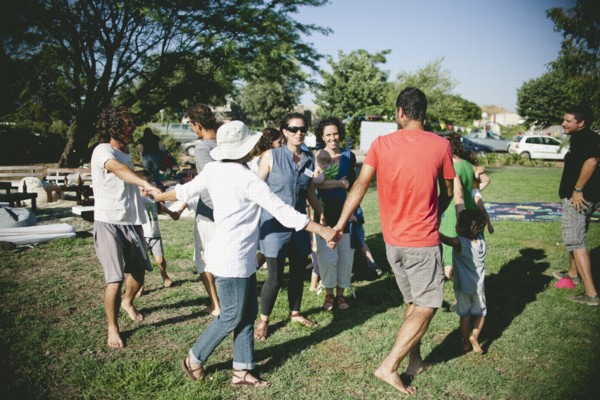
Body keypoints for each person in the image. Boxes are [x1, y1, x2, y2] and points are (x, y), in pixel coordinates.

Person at [150, 121, 336, 386]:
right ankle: (193, 359)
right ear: (244, 148)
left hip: (240, 256)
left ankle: (242, 370)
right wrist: (323, 230)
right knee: (231, 315)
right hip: (232, 259)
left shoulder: (214, 170)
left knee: (247, 313)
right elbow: (283, 212)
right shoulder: (246, 177)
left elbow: (183, 190)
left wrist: (157, 196)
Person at [331, 88, 455, 395]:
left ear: (400, 112)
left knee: (413, 303)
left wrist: (338, 224)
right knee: (428, 305)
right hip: (423, 242)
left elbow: (360, 185)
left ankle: (416, 361)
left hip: (393, 243)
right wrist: (433, 213)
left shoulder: (381, 144)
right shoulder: (442, 145)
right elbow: (449, 192)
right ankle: (389, 365)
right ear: (423, 112)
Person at [91, 107, 159, 349]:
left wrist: (140, 187)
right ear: (113, 127)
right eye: (128, 124)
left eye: (133, 123)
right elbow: (119, 171)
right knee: (115, 280)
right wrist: (142, 181)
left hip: (132, 222)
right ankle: (113, 327)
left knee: (139, 275)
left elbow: (125, 177)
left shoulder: (127, 151)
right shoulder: (103, 150)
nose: (133, 127)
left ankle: (127, 302)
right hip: (109, 222)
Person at [255, 112, 325, 340]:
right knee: (275, 276)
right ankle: (263, 320)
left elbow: (309, 191)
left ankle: (295, 312)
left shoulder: (307, 157)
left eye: (303, 129)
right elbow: (255, 190)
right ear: (284, 132)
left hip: (300, 225)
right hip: (274, 224)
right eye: (294, 129)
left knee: (297, 272)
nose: (299, 133)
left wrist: (321, 215)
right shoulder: (270, 156)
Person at [553, 104, 599, 306]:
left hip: (579, 198)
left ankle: (591, 294)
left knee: (576, 241)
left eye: (568, 121)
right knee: (576, 236)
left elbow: (591, 163)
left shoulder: (583, 138)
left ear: (581, 123)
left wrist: (578, 189)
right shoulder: (587, 137)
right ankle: (572, 274)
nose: (564, 123)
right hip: (588, 196)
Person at [314, 117, 355, 311]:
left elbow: (354, 186)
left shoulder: (349, 156)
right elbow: (315, 184)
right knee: (327, 258)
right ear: (322, 136)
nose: (333, 138)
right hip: (323, 215)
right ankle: (328, 295)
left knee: (346, 257)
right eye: (328, 134)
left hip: (345, 215)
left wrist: (353, 211)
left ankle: (340, 295)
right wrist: (339, 183)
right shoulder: (316, 156)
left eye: (335, 133)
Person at [439, 189, 487, 355]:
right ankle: (475, 335)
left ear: (462, 228)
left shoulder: (459, 243)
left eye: (458, 224)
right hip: (478, 287)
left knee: (465, 315)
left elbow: (443, 238)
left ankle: (466, 342)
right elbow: (469, 221)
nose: (455, 225)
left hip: (463, 288)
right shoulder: (480, 241)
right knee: (480, 313)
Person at [188, 104, 221, 316]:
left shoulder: (202, 148)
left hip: (210, 213)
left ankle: (216, 304)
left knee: (205, 259)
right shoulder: (225, 144)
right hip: (229, 211)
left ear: (198, 125)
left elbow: (210, 181)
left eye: (191, 125)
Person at [439, 133, 478, 280]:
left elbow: (458, 193)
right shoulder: (468, 164)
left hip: (454, 214)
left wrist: (458, 217)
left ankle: (462, 294)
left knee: (450, 260)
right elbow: (484, 181)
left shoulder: (451, 166)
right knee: (467, 255)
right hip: (470, 213)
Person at [135, 169, 180, 297]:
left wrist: (172, 213)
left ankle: (164, 274)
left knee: (160, 260)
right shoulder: (137, 199)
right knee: (141, 263)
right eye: (141, 186)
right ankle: (140, 284)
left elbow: (160, 207)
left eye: (146, 185)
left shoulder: (153, 199)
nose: (144, 189)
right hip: (142, 236)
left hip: (155, 235)